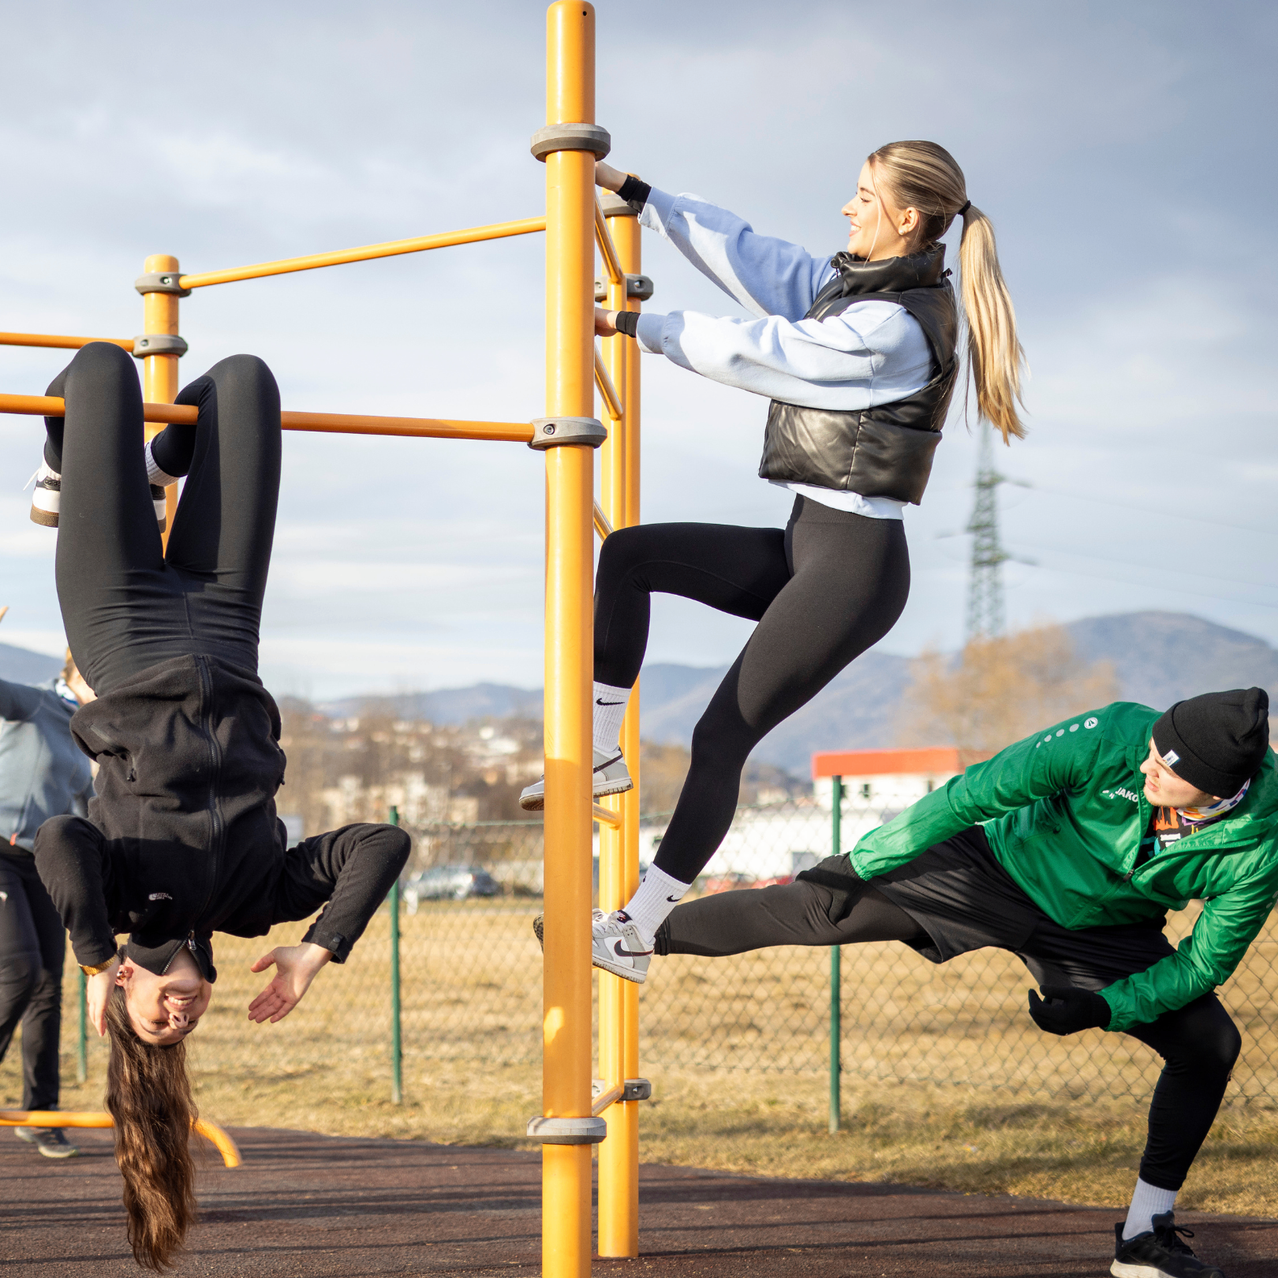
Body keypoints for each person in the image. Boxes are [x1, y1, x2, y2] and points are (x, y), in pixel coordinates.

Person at [521, 141, 1026, 983]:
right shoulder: (858, 287)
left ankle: (638, 931)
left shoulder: (895, 326)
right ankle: (603, 748)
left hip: (852, 569)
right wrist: (640, 193)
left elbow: (769, 352)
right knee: (635, 554)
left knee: (720, 736)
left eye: (864, 197)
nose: (847, 208)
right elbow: (751, 255)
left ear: (907, 217)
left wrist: (634, 325)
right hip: (811, 544)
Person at [653, 690, 1274, 1278]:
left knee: (1208, 1043)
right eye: (1150, 751)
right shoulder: (1113, 735)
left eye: (1165, 769)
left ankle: (1145, 1238)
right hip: (995, 868)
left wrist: (1106, 1007)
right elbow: (974, 793)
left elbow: (1203, 964)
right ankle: (632, 934)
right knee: (823, 904)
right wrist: (863, 861)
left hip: (1105, 931)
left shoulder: (1260, 844)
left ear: (1219, 791)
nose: (1146, 766)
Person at [26, 342, 410, 1271]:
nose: (180, 1015)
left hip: (118, 628)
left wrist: (92, 959)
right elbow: (381, 843)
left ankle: (58, 472)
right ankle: (159, 470)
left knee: (102, 372)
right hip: (229, 630)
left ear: (129, 992)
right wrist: (319, 948)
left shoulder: (119, 906)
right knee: (245, 382)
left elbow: (60, 840)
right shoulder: (252, 903)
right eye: (185, 1027)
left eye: (158, 1018)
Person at [0, 629, 95, 1159]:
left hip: (42, 864)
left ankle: (41, 1115)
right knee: (21, 972)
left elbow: (89, 810)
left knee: (47, 993)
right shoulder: (33, 701)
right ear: (75, 673)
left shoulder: (86, 736)